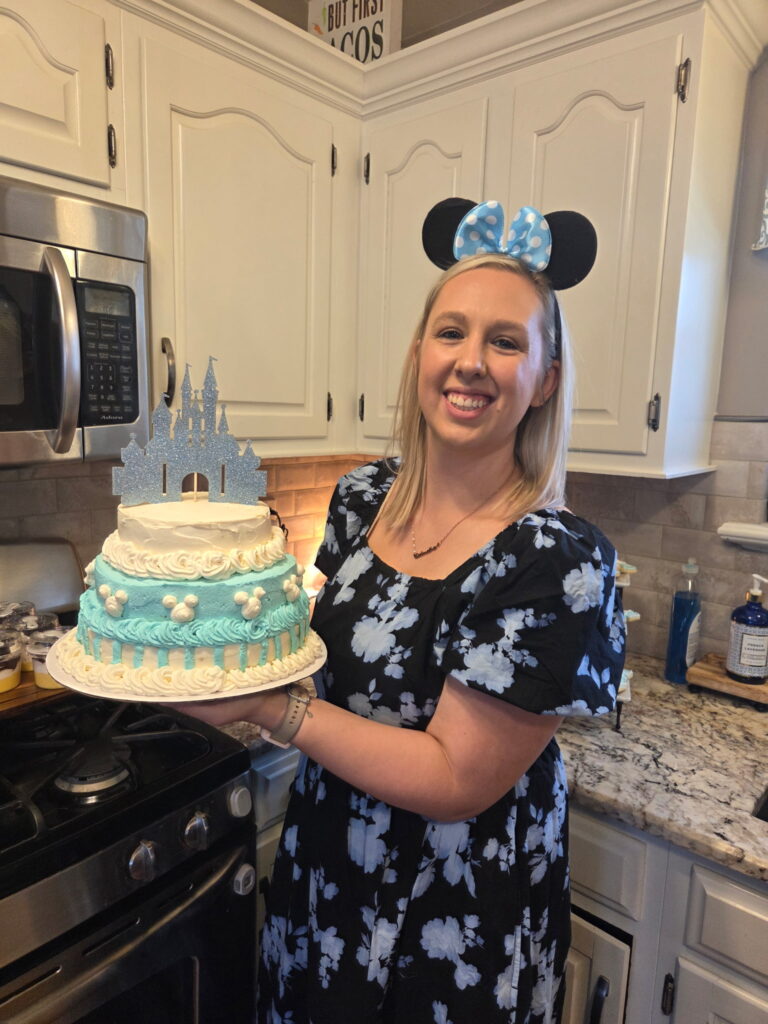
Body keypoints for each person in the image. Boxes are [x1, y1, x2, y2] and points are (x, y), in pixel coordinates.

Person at [173, 199, 626, 1024]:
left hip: (455, 917)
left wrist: (272, 709)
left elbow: (456, 779)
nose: (471, 362)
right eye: (451, 332)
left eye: (507, 341)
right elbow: (318, 651)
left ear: (546, 379)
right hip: (326, 873)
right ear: (419, 352)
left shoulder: (558, 561)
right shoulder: (362, 498)